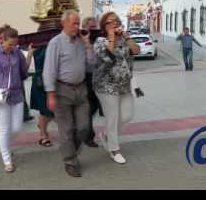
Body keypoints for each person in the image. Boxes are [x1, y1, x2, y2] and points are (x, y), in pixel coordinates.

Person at [43, 10, 95, 177]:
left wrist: (88, 45)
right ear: (63, 23)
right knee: (66, 131)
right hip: (61, 91)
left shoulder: (81, 41)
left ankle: (70, 151)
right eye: (74, 23)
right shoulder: (55, 43)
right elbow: (49, 71)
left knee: (84, 128)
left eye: (78, 23)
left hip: (81, 89)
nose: (77, 26)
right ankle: (70, 161)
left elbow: (91, 66)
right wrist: (50, 95)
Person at [92, 12, 140, 164]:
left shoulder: (124, 39)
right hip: (105, 85)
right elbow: (108, 57)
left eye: (116, 21)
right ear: (104, 27)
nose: (113, 24)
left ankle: (107, 135)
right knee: (112, 117)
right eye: (109, 22)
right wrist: (112, 37)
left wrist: (126, 37)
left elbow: (136, 51)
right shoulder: (100, 41)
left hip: (124, 85)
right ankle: (114, 149)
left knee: (127, 115)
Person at [0, 27, 28, 172]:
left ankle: (3, 143)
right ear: (3, 40)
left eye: (15, 44)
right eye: (10, 44)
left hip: (17, 93)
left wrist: (30, 56)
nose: (12, 47)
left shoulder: (17, 52)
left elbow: (23, 72)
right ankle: (7, 160)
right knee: (5, 128)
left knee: (16, 127)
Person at [82, 16, 104, 148]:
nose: (94, 29)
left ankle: (86, 132)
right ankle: (89, 136)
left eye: (95, 27)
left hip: (98, 77)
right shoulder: (80, 40)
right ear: (85, 27)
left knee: (93, 107)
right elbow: (89, 62)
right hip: (86, 78)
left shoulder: (99, 40)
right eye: (91, 27)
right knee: (89, 108)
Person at [30, 44, 54, 147]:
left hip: (57, 81)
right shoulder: (37, 46)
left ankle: (41, 126)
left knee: (55, 111)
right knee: (45, 111)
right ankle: (43, 135)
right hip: (41, 82)